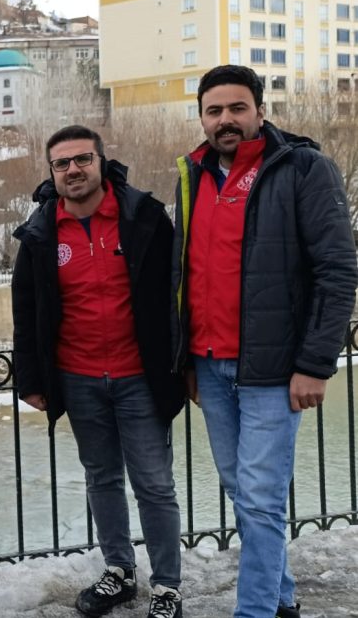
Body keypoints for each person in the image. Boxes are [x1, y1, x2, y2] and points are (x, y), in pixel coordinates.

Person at [172, 65, 357, 618]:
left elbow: (338, 269)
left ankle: (254, 611)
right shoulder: (193, 174)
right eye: (214, 110)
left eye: (236, 108)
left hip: (275, 371)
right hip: (209, 365)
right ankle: (282, 598)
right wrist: (184, 359)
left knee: (259, 496)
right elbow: (184, 274)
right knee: (243, 492)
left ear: (259, 110)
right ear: (202, 117)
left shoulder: (303, 169)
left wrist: (316, 365)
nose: (225, 120)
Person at [12, 125, 186, 618]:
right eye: (62, 163)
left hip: (141, 378)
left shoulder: (144, 218)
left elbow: (177, 294)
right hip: (79, 378)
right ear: (52, 172)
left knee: (154, 483)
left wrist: (182, 363)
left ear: (102, 162)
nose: (73, 170)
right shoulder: (42, 233)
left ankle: (167, 586)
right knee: (102, 478)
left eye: (82, 159)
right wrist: (31, 379)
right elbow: (26, 309)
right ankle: (120, 572)